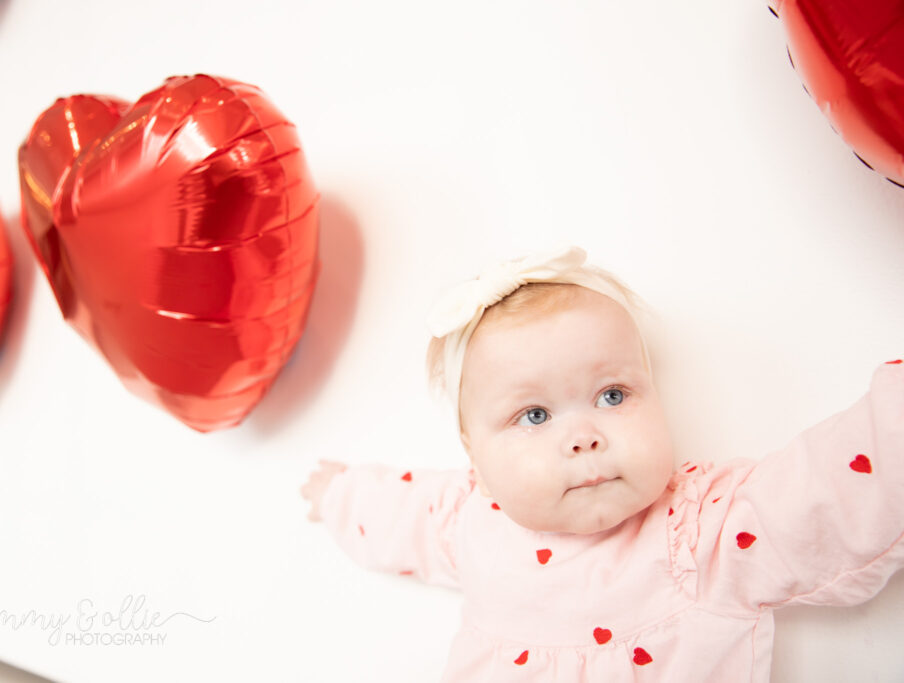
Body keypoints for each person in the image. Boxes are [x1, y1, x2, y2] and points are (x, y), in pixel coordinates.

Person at [300, 244, 904, 681]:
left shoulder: (702, 529)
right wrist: (340, 495)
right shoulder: (468, 516)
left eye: (612, 396)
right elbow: (398, 512)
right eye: (534, 415)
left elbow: (824, 492)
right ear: (473, 455)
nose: (583, 436)